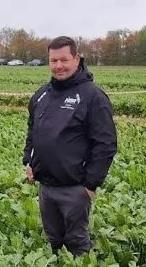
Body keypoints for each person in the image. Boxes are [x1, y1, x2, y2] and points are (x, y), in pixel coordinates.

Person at [22, 36, 118, 255]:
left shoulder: (92, 96)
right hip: (46, 186)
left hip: (75, 189)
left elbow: (106, 143)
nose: (58, 66)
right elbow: (32, 131)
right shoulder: (42, 95)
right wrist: (28, 160)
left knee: (76, 242)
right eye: (53, 61)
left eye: (64, 60)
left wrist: (90, 185)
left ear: (76, 59)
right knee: (54, 240)